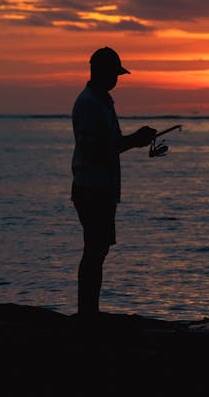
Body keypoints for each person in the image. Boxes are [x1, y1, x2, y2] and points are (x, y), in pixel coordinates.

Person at [71, 47, 157, 316]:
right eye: (113, 73)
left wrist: (132, 141)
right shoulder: (89, 104)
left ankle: (89, 312)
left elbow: (109, 145)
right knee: (95, 250)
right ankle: (87, 314)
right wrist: (134, 140)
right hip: (91, 187)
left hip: (101, 187)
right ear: (100, 72)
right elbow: (95, 148)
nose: (116, 80)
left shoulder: (102, 102)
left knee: (98, 250)